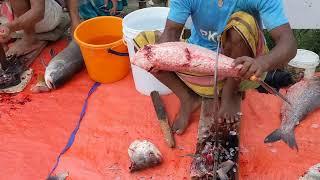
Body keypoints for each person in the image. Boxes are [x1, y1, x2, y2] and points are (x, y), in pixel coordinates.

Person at [138, 0, 297, 134]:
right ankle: (187, 98)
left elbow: (289, 44)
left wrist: (262, 63)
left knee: (243, 23)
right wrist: (158, 57)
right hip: (199, 64)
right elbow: (170, 33)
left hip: (244, 69)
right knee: (145, 48)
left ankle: (229, 93)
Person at [0, 0, 65, 57]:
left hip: (45, 18)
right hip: (12, 20)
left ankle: (29, 39)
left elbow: (38, 12)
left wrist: (9, 27)